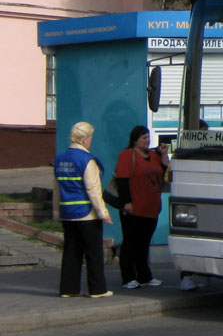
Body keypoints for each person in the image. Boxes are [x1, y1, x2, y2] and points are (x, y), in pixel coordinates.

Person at [52, 121, 113, 298]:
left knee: (71, 252)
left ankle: (68, 289)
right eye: (91, 137)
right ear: (85, 140)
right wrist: (104, 213)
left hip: (67, 213)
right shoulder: (87, 160)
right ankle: (97, 289)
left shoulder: (60, 158)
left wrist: (56, 213)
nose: (91, 141)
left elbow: (56, 188)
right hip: (87, 214)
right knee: (93, 253)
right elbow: (93, 190)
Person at [115, 125, 169, 289]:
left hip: (151, 208)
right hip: (133, 208)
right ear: (135, 140)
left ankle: (144, 276)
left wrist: (164, 154)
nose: (147, 140)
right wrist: (126, 203)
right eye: (143, 138)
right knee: (130, 243)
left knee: (144, 244)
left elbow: (164, 170)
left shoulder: (153, 155)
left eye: (148, 137)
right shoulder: (127, 155)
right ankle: (128, 277)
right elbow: (122, 181)